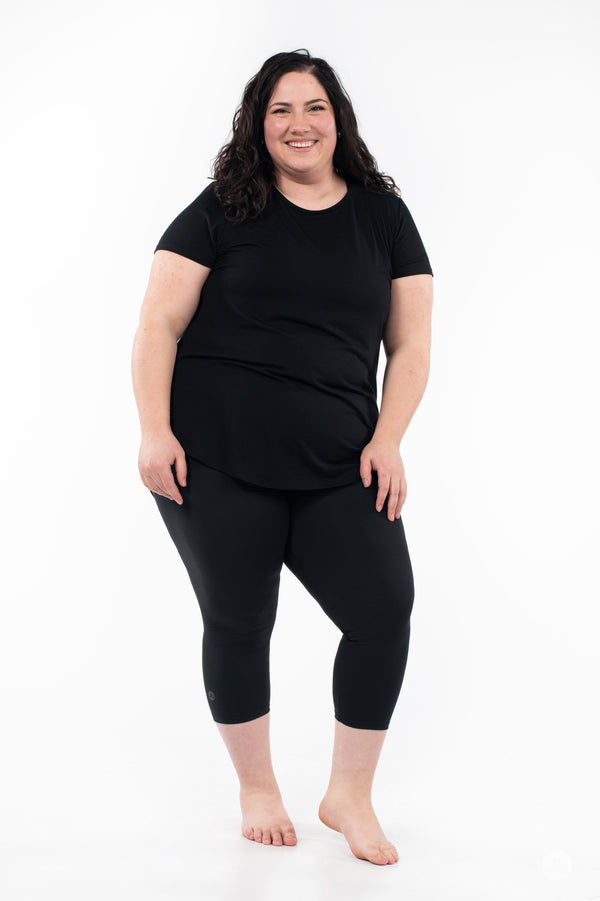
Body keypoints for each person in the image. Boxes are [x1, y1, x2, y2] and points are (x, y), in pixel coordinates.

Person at [131, 48, 433, 866]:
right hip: (214, 455)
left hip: (340, 456)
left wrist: (388, 438)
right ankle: (257, 786)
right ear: (258, 126)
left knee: (382, 610)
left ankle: (348, 794)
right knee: (240, 618)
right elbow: (158, 321)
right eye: (280, 111)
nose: (299, 125)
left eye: (314, 108)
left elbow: (409, 344)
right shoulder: (223, 209)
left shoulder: (383, 216)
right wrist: (155, 430)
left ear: (339, 120)